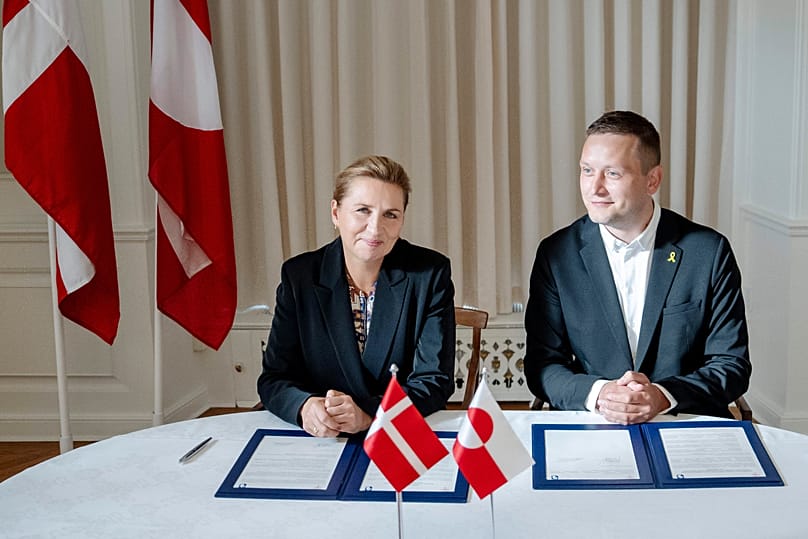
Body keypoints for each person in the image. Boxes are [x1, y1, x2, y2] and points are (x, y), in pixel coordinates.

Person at [524, 110, 751, 424]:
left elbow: (731, 365)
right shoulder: (556, 254)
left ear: (652, 180)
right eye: (587, 171)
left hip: (684, 421)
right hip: (593, 423)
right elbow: (542, 366)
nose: (594, 188)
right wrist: (600, 394)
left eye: (612, 174)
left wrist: (663, 395)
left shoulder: (709, 252)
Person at [257, 155, 456, 436]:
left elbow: (434, 381)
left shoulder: (429, 274)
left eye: (390, 214)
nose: (375, 228)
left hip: (397, 434)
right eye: (363, 210)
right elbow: (274, 378)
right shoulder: (299, 276)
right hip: (323, 438)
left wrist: (369, 414)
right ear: (336, 213)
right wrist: (303, 406)